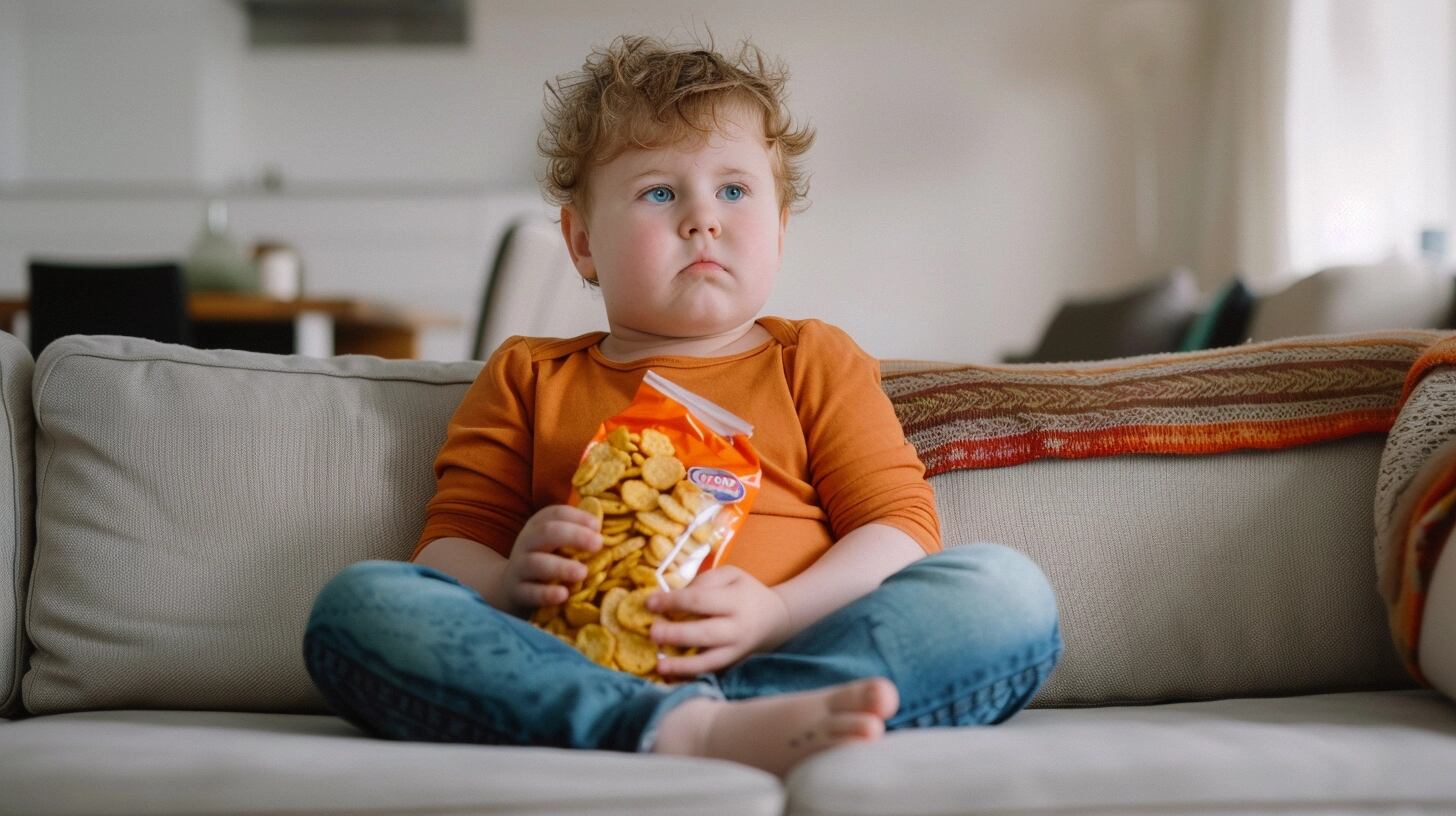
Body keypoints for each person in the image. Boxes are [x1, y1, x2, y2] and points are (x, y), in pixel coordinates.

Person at [304, 33, 1062, 777]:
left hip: (798, 654)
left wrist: (777, 612)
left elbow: (901, 532)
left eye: (734, 190)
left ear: (779, 227)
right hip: (587, 666)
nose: (703, 218)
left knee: (1007, 595)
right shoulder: (528, 376)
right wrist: (506, 580)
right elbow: (444, 554)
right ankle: (677, 728)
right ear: (582, 244)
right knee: (360, 605)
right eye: (659, 192)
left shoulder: (812, 360)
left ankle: (737, 719)